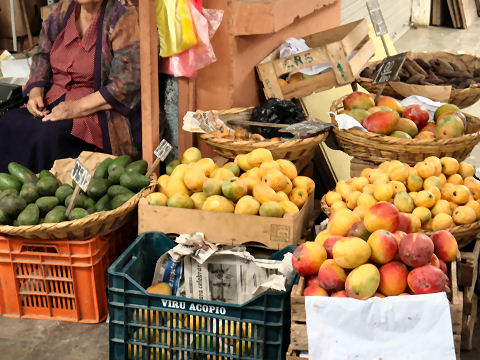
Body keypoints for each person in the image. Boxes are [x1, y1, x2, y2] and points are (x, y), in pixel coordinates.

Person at [0, 0, 141, 173]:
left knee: (47, 135)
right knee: (9, 122)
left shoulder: (123, 15)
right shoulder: (63, 9)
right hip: (54, 100)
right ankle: (11, 196)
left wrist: (75, 108)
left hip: (97, 110)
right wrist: (36, 91)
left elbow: (126, 84)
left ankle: (46, 195)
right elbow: (42, 54)